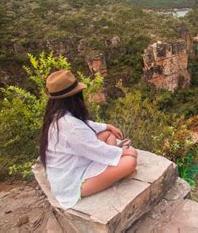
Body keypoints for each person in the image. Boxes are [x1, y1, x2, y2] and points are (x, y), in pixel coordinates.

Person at [39, 70, 138, 208]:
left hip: (73, 165)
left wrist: (107, 126)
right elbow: (95, 148)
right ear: (74, 96)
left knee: (108, 134)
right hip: (72, 183)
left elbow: (85, 126)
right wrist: (124, 153)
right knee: (130, 161)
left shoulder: (57, 115)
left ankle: (113, 167)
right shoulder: (70, 126)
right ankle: (115, 171)